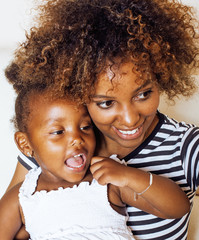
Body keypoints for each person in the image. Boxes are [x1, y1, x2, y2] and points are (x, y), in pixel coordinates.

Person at [4, 0, 199, 239]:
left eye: (144, 94)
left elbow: (177, 206)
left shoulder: (186, 147)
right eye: (105, 102)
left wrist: (131, 176)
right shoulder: (47, 148)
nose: (130, 120)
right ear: (79, 94)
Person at [0, 84, 190, 240]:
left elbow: (178, 207)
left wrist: (130, 176)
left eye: (85, 127)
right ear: (25, 144)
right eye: (58, 132)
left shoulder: (106, 179)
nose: (77, 138)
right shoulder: (22, 196)